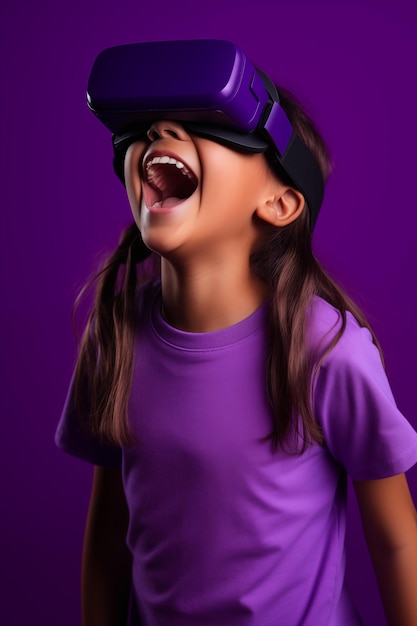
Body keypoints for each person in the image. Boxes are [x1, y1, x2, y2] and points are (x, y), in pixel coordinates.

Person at [56, 40, 417, 626]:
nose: (160, 129)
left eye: (206, 125)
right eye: (146, 127)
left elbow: (398, 542)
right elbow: (107, 543)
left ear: (279, 202)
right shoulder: (113, 338)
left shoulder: (329, 355)